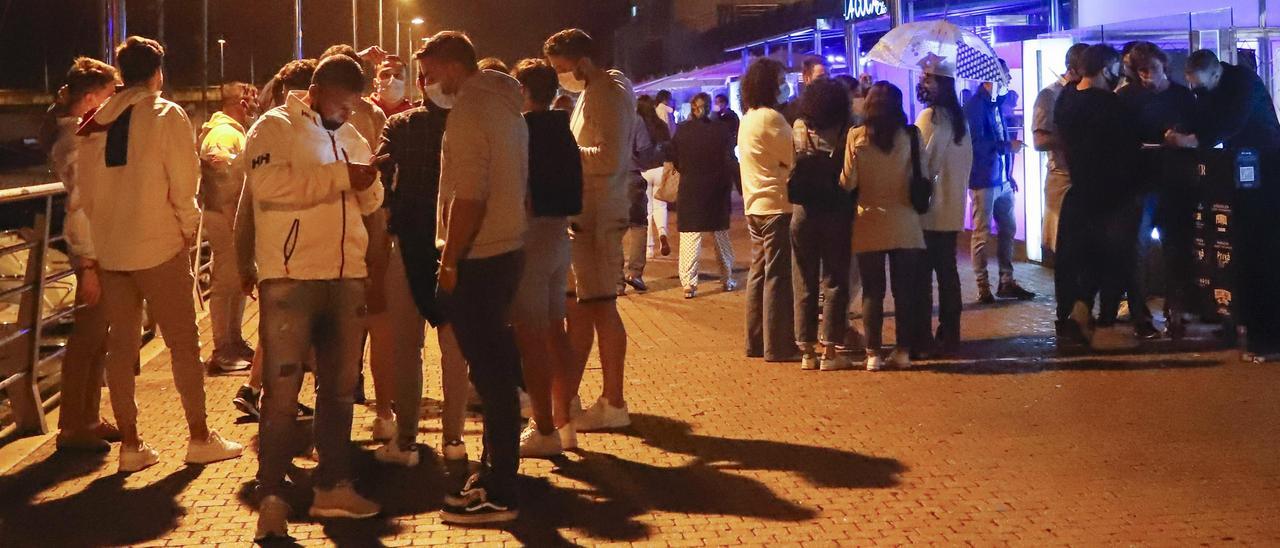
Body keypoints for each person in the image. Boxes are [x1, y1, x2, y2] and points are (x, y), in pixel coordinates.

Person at [76, 36, 243, 473]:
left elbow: (87, 195)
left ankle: (131, 445)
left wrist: (103, 237)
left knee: (121, 348)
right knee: (184, 345)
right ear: (157, 73)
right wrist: (187, 233)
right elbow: (183, 183)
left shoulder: (95, 123)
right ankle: (200, 436)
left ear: (120, 74)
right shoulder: (166, 113)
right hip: (159, 246)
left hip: (113, 252)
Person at [245, 55, 386, 539]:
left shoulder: (353, 135)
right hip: (291, 278)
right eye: (342, 102)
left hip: (346, 277)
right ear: (317, 89)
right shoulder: (272, 128)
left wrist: (368, 185)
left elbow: (369, 200)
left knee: (341, 391)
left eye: (355, 103)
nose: (348, 112)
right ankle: (272, 498)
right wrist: (342, 178)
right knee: (281, 394)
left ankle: (334, 487)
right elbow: (267, 186)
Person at [422, 31, 528, 524]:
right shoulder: (507, 103)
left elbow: (469, 196)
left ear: (453, 65)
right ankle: (496, 470)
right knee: (498, 371)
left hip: (479, 256)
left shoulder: (469, 112)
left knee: (487, 373)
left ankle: (499, 488)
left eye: (431, 69)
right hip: (508, 249)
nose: (427, 80)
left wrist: (449, 261)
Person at [367, 47, 475, 468]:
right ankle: (454, 440)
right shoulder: (473, 122)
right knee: (454, 350)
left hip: (408, 246)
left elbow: (379, 177)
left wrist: (391, 209)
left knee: (406, 349)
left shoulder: (401, 124)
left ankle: (407, 441)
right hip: (459, 247)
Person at [545, 28, 637, 433]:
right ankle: (578, 398)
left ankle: (613, 401)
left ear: (580, 62)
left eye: (561, 68)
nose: (559, 76)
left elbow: (609, 157)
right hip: (591, 213)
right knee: (588, 309)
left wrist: (564, 151)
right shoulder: (602, 90)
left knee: (601, 306)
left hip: (597, 215)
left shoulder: (604, 92)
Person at [1168, 49, 1280, 359]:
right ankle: (1245, 324)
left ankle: (1264, 332)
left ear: (1216, 73)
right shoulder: (1217, 87)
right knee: (1245, 250)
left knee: (1261, 251)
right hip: (1241, 172)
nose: (1197, 91)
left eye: (1200, 85)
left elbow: (1229, 123)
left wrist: (1193, 140)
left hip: (1264, 172)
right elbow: (1204, 118)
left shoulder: (1243, 84)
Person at [41, 56, 120, 452]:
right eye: (108, 96)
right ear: (90, 98)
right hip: (92, 252)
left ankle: (87, 417)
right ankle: (72, 425)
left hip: (97, 248)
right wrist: (87, 264)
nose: (113, 103)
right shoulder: (76, 141)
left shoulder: (80, 135)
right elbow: (80, 205)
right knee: (88, 336)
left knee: (97, 336)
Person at [231, 58, 317, 419]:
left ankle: (256, 391)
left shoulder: (263, 129)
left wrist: (243, 261)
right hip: (294, 254)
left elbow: (244, 207)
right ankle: (274, 408)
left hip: (273, 254)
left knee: (276, 331)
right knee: (288, 335)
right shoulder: (294, 130)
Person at [510, 58, 584, 457]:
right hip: (559, 235)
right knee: (556, 331)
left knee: (531, 335)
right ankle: (564, 421)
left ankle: (542, 430)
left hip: (530, 234)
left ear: (522, 90)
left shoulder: (522, 131)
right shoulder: (562, 128)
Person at [840, 81, 933, 371]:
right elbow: (925, 174)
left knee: (872, 291)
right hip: (905, 220)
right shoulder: (911, 135)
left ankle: (873, 354)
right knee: (904, 291)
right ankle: (903, 351)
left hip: (868, 220)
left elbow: (847, 182)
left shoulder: (856, 137)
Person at [1054, 44, 1142, 347]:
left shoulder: (1066, 101)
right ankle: (1103, 327)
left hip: (1080, 192)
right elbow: (1131, 151)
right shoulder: (1113, 107)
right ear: (1107, 69)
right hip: (1113, 196)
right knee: (1112, 260)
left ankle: (1078, 314)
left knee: (1086, 259)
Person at [1117, 42, 1196, 340]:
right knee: (1136, 250)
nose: (1149, 76)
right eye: (1142, 71)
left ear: (1165, 66)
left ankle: (1177, 311)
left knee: (1177, 247)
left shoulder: (1181, 96)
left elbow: (1197, 134)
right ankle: (1141, 315)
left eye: (1153, 70)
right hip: (1141, 183)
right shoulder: (1127, 97)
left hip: (1175, 182)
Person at [789, 78, 854, 370]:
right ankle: (830, 350)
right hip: (836, 208)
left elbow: (792, 163)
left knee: (804, 279)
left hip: (803, 211)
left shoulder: (799, 126)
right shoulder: (847, 128)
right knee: (835, 280)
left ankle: (806, 351)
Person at [739, 57, 798, 362]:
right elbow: (793, 156)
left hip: (755, 205)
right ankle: (778, 345)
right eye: (781, 79)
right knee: (777, 277)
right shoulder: (772, 119)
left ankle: (756, 341)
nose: (784, 84)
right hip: (776, 205)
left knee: (758, 273)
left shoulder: (748, 117)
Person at [964, 61, 1035, 304]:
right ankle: (983, 286)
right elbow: (975, 145)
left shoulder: (994, 104)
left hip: (1001, 178)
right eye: (1004, 76)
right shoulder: (975, 107)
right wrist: (1007, 148)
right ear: (990, 77)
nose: (1007, 81)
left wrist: (1008, 173)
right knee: (982, 233)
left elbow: (998, 137)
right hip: (983, 180)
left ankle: (1006, 280)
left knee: (1008, 229)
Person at [1032, 43, 1090, 344]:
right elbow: (1040, 140)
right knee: (1066, 253)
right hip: (1062, 179)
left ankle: (1082, 313)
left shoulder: (1088, 96)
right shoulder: (1050, 95)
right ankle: (1066, 314)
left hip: (1086, 179)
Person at [199, 81, 257, 373]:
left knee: (236, 281)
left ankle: (234, 340)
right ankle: (223, 347)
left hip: (230, 214)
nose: (255, 106)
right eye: (252, 99)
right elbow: (218, 165)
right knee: (225, 282)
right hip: (225, 216)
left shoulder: (233, 131)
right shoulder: (224, 132)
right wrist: (234, 213)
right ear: (241, 102)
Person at [915, 71, 972, 356]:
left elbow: (921, 161)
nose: (922, 84)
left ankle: (923, 333)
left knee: (923, 276)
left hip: (929, 211)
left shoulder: (931, 118)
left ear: (942, 84)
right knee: (948, 273)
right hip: (951, 208)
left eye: (929, 79)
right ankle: (951, 331)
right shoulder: (960, 120)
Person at [670, 92, 738, 299]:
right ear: (710, 107)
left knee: (691, 237)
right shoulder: (722, 130)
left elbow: (675, 158)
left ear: (693, 108)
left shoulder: (682, 131)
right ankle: (727, 278)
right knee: (721, 237)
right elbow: (729, 158)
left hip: (691, 188)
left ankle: (689, 284)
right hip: (717, 188)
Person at [620, 93, 662, 294]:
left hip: (607, 179)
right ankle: (634, 273)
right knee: (638, 225)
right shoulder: (635, 121)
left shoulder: (604, 119)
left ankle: (615, 281)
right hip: (630, 177)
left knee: (613, 231)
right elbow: (644, 150)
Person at [637, 95, 672, 259]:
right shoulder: (661, 125)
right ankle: (663, 234)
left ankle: (649, 248)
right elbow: (669, 146)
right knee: (660, 206)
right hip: (659, 168)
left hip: (643, 170)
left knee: (647, 209)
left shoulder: (636, 126)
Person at [782, 57, 829, 124]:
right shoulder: (793, 110)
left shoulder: (837, 106)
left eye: (828, 76)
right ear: (806, 78)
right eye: (821, 77)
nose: (826, 80)